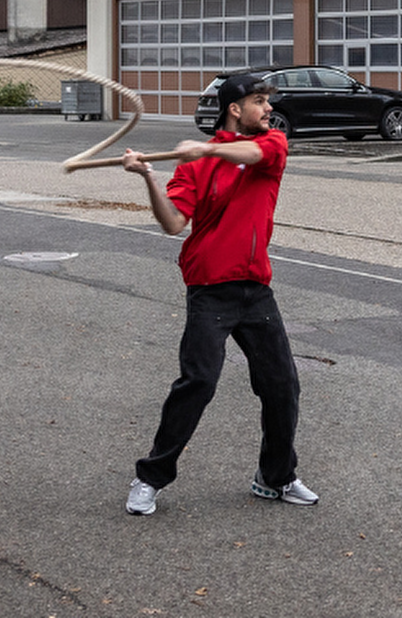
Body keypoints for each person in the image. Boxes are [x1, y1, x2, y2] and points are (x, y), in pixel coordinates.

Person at [121, 72, 318, 516]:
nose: (268, 108)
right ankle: (149, 477)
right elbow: (173, 223)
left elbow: (251, 153)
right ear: (235, 108)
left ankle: (275, 477)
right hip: (209, 288)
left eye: (267, 101)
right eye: (259, 101)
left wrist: (208, 148)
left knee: (282, 385)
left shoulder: (271, 143)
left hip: (255, 288)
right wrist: (149, 176)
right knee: (198, 383)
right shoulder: (194, 165)